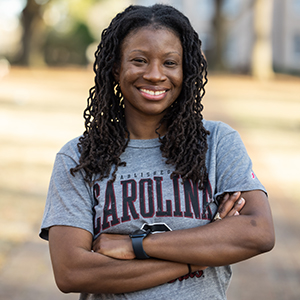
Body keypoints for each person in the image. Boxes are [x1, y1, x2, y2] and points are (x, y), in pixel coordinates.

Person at [39, 4, 275, 300]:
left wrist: (135, 245)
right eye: (139, 60)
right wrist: (201, 253)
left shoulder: (217, 143)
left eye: (170, 63)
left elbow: (258, 232)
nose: (154, 75)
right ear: (115, 66)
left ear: (185, 69)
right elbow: (72, 271)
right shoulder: (78, 158)